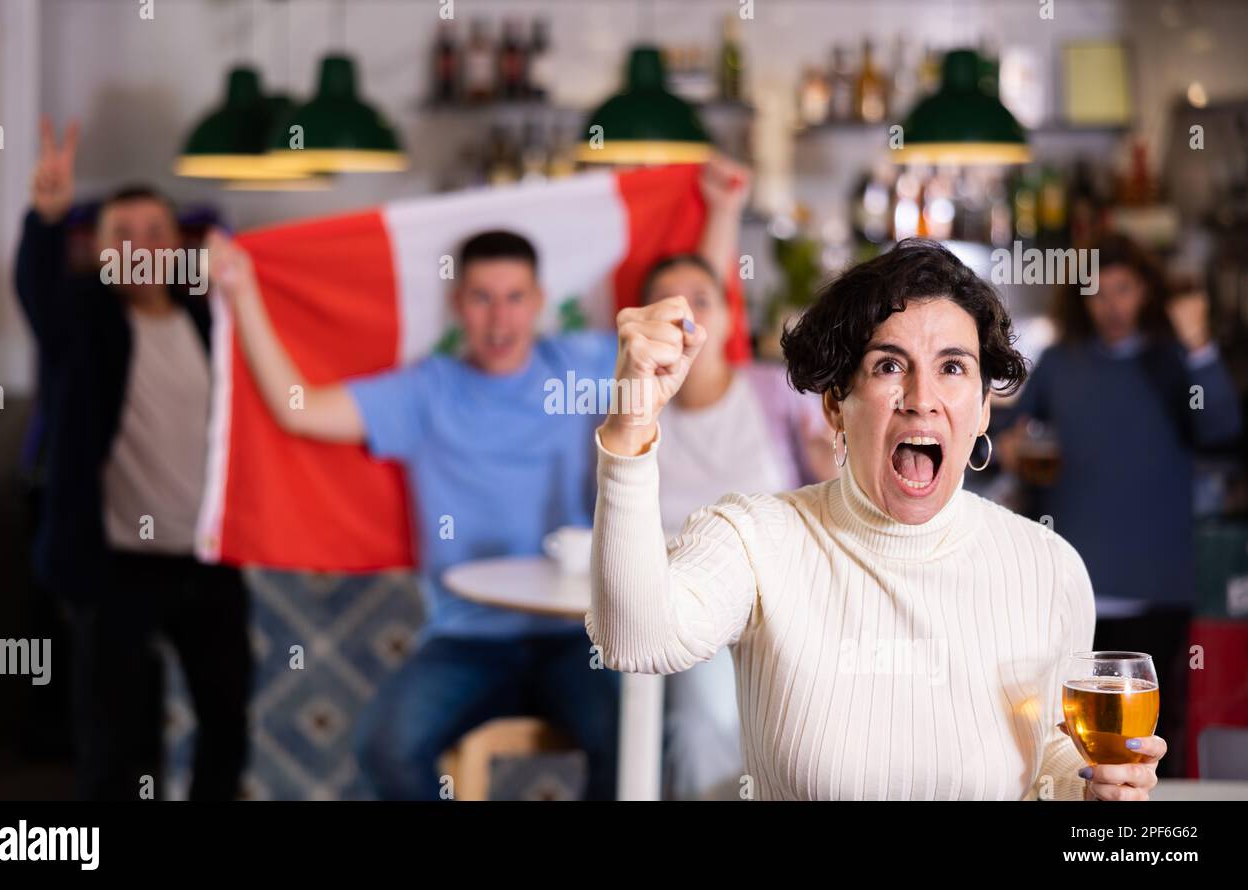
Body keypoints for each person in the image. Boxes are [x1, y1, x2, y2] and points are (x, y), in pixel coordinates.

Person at [588, 238, 1168, 800]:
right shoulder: (756, 538)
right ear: (836, 405)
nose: (922, 397)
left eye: (953, 368)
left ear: (984, 409)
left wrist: (1094, 790)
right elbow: (636, 640)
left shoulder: (1048, 567)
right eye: (890, 365)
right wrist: (630, 426)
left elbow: (1048, 757)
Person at [206, 224, 622, 799]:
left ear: (540, 303)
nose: (499, 318)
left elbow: (688, 318)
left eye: (515, 297)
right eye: (481, 297)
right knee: (384, 745)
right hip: (467, 636)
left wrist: (722, 211)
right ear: (457, 306)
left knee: (632, 744)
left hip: (583, 635)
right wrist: (242, 290)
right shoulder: (427, 391)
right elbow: (297, 409)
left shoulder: (583, 369)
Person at [16, 118, 251, 800]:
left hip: (208, 559)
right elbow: (39, 289)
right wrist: (46, 218)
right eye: (124, 233)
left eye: (156, 232)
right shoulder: (81, 322)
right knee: (113, 737)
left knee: (226, 721)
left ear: (180, 244)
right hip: (114, 564)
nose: (142, 246)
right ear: (100, 250)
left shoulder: (212, 321)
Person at [996, 234, 1242, 778]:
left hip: (1155, 587)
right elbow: (995, 437)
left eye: (1124, 289)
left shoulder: (1177, 361)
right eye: (1097, 291)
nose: (1111, 304)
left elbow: (1224, 431)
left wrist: (1198, 342)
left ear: (1148, 293)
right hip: (1067, 586)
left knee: (1151, 741)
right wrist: (1007, 449)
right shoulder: (1060, 364)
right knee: (1063, 739)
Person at [636, 161, 836, 799]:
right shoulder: (633, 404)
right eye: (670, 309)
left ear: (727, 315)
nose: (689, 318)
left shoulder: (774, 393)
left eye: (704, 302)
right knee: (707, 724)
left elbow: (837, 486)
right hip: (677, 602)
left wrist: (834, 462)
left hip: (785, 598)